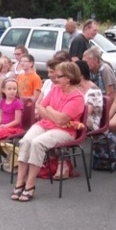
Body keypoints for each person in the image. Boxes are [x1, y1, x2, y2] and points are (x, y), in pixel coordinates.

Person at [11, 62, 86, 202]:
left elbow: (63, 120)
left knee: (37, 143)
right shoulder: (56, 89)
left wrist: (50, 111)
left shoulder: (77, 98)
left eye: (59, 76)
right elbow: (40, 107)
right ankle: (19, 182)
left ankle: (30, 185)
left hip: (65, 131)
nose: (55, 78)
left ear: (68, 78)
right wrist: (52, 114)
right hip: (46, 124)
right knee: (26, 141)